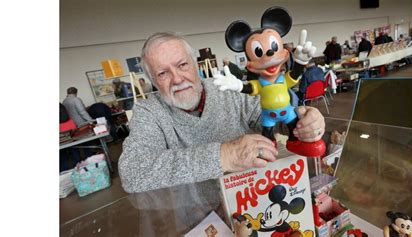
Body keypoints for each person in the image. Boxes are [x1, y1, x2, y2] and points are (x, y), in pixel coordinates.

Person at [118, 32, 325, 193]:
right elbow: (132, 173)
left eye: (182, 65)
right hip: (198, 217)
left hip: (254, 196)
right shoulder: (148, 111)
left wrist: (305, 121)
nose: (177, 79)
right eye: (162, 73)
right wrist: (223, 155)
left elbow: (274, 120)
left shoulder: (228, 90)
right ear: (153, 81)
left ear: (195, 65)